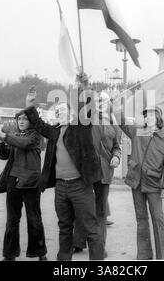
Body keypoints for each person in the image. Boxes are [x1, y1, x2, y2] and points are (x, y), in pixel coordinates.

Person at [22, 87, 104, 261]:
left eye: (63, 110)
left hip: (81, 186)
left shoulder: (80, 129)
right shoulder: (54, 132)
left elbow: (87, 112)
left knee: (91, 228)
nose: (60, 113)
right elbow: (37, 123)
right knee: (64, 227)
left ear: (72, 113)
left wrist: (83, 86)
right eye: (57, 111)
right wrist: (29, 105)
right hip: (61, 188)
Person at [0, 110, 48, 261]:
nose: (21, 121)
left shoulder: (36, 135)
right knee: (12, 220)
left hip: (31, 183)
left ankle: (41, 253)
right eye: (19, 119)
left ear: (31, 121)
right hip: (13, 182)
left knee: (34, 219)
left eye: (25, 119)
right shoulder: (16, 136)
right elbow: (4, 155)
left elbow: (26, 143)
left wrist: (4, 136)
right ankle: (9, 255)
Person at [120, 106, 164, 260]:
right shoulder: (136, 133)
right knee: (141, 219)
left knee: (158, 219)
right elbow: (122, 122)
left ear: (158, 118)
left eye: (151, 115)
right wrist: (114, 106)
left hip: (154, 184)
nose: (147, 118)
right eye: (145, 116)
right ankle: (144, 255)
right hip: (136, 182)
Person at [73, 91, 121, 258]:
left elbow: (116, 146)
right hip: (87, 170)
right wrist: (82, 87)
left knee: (100, 210)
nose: (101, 103)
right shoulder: (87, 118)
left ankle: (99, 247)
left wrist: (116, 156)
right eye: (98, 100)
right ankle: (78, 242)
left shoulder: (113, 123)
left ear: (109, 104)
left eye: (104, 100)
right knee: (83, 206)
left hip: (105, 172)